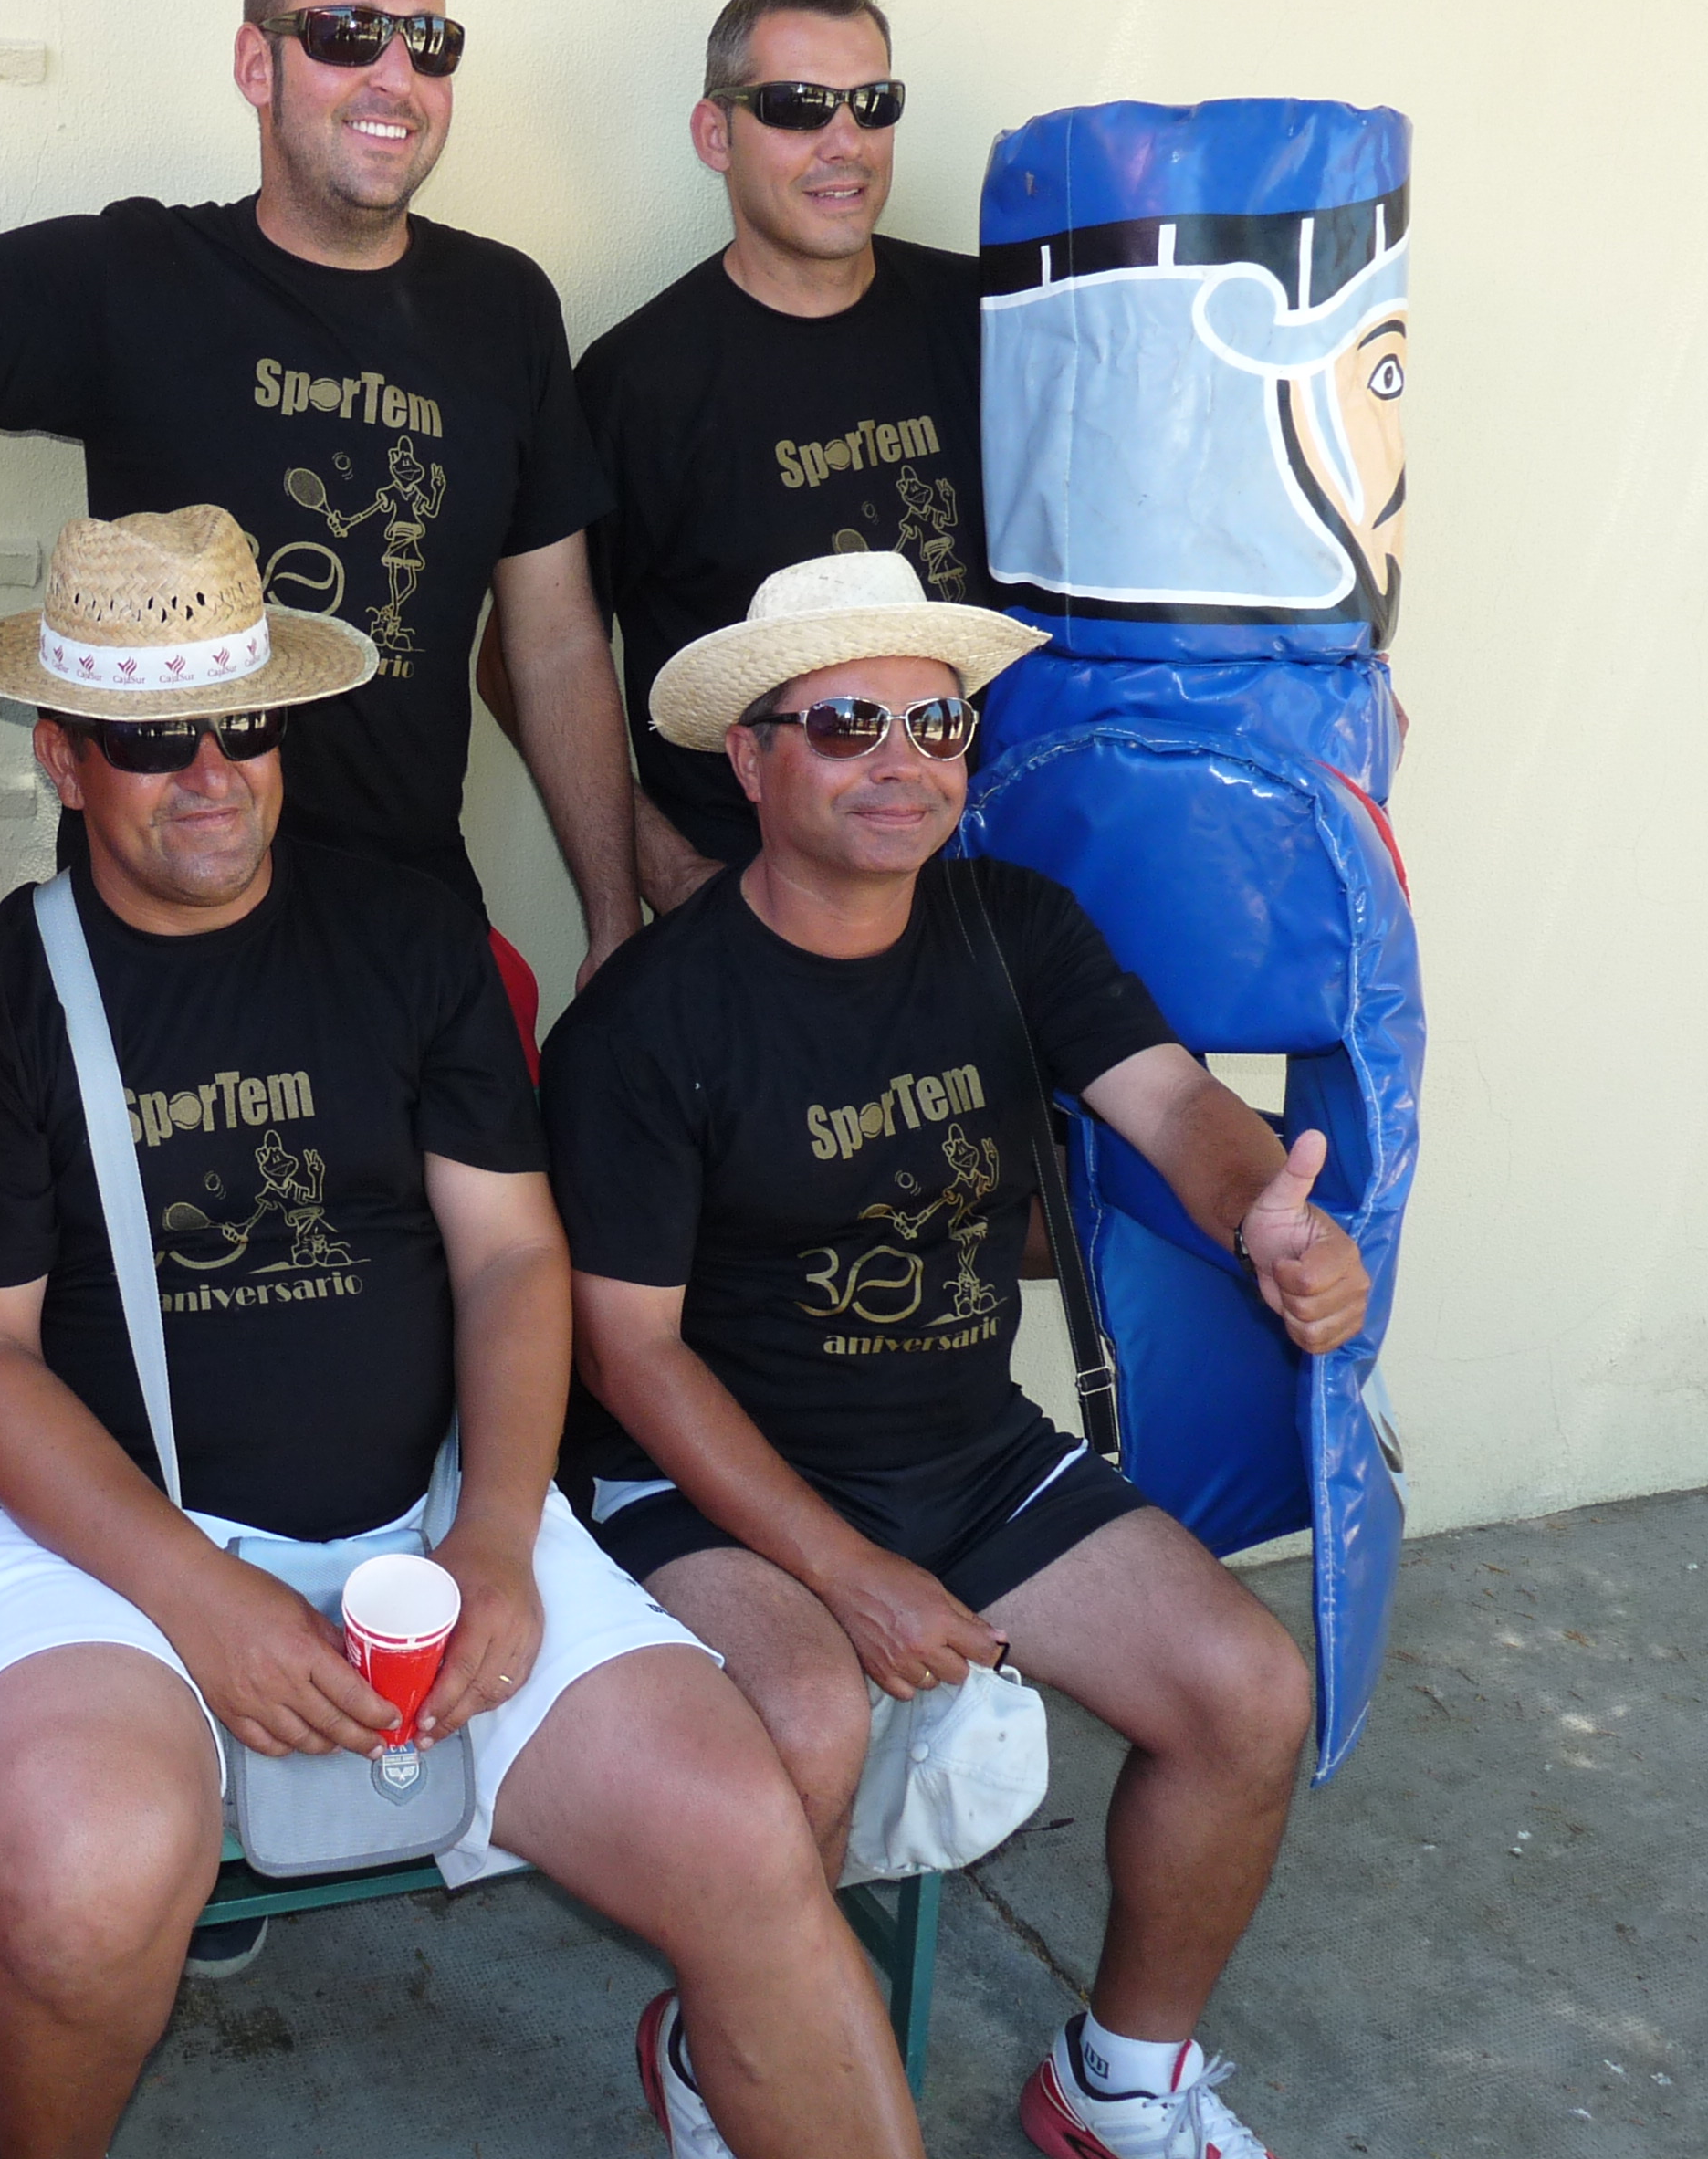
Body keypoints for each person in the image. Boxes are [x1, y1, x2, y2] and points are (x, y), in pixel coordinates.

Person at [0, 506, 926, 2159]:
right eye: (151, 736)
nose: (211, 773)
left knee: (744, 1836)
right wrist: (201, 1596)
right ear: (61, 758)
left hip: (430, 1517)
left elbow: (513, 1260)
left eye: (245, 722)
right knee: (83, 1883)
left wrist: (500, 1541)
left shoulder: (406, 936)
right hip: (105, 1555)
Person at [542, 552, 1375, 2159]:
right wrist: (846, 1574)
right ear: (750, 759)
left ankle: (1118, 2080)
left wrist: (1261, 1215)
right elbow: (630, 1354)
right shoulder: (648, 1023)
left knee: (1246, 1692)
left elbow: (1170, 1104)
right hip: (706, 1482)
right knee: (801, 1720)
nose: (901, 761)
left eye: (936, 726)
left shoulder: (1011, 927)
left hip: (962, 1447)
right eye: (846, 723)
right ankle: (728, 2057)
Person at [0, 0, 641, 1000]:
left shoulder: (504, 308)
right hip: (160, 946)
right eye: (346, 34)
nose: (396, 75)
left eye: (429, 42)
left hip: (408, 947)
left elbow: (557, 642)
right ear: (255, 63)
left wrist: (614, 920)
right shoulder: (138, 277)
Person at [574, 0, 987, 914]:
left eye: (873, 105)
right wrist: (669, 878)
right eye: (799, 107)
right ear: (714, 134)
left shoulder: (982, 318)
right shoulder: (640, 381)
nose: (846, 142)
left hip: (979, 898)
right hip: (757, 912)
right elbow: (538, 666)